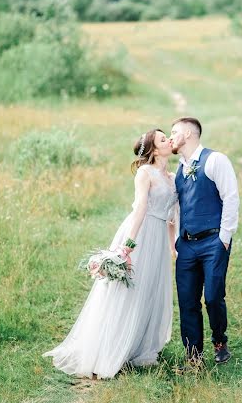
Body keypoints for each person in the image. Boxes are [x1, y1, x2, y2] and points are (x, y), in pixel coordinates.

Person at [43, 129, 177, 379]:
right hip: (141, 232)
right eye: (162, 139)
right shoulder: (145, 173)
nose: (169, 140)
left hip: (159, 238)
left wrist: (172, 245)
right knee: (129, 290)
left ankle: (139, 347)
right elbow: (140, 209)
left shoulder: (171, 176)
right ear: (154, 150)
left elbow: (171, 217)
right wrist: (128, 246)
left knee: (150, 289)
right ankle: (110, 348)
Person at [170, 117, 239, 369]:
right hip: (186, 244)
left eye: (174, 132)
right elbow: (177, 207)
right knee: (187, 301)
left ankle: (220, 341)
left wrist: (224, 236)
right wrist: (178, 241)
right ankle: (193, 356)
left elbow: (230, 197)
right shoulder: (178, 168)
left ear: (189, 133)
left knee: (212, 297)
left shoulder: (215, 160)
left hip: (213, 241)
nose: (171, 136)